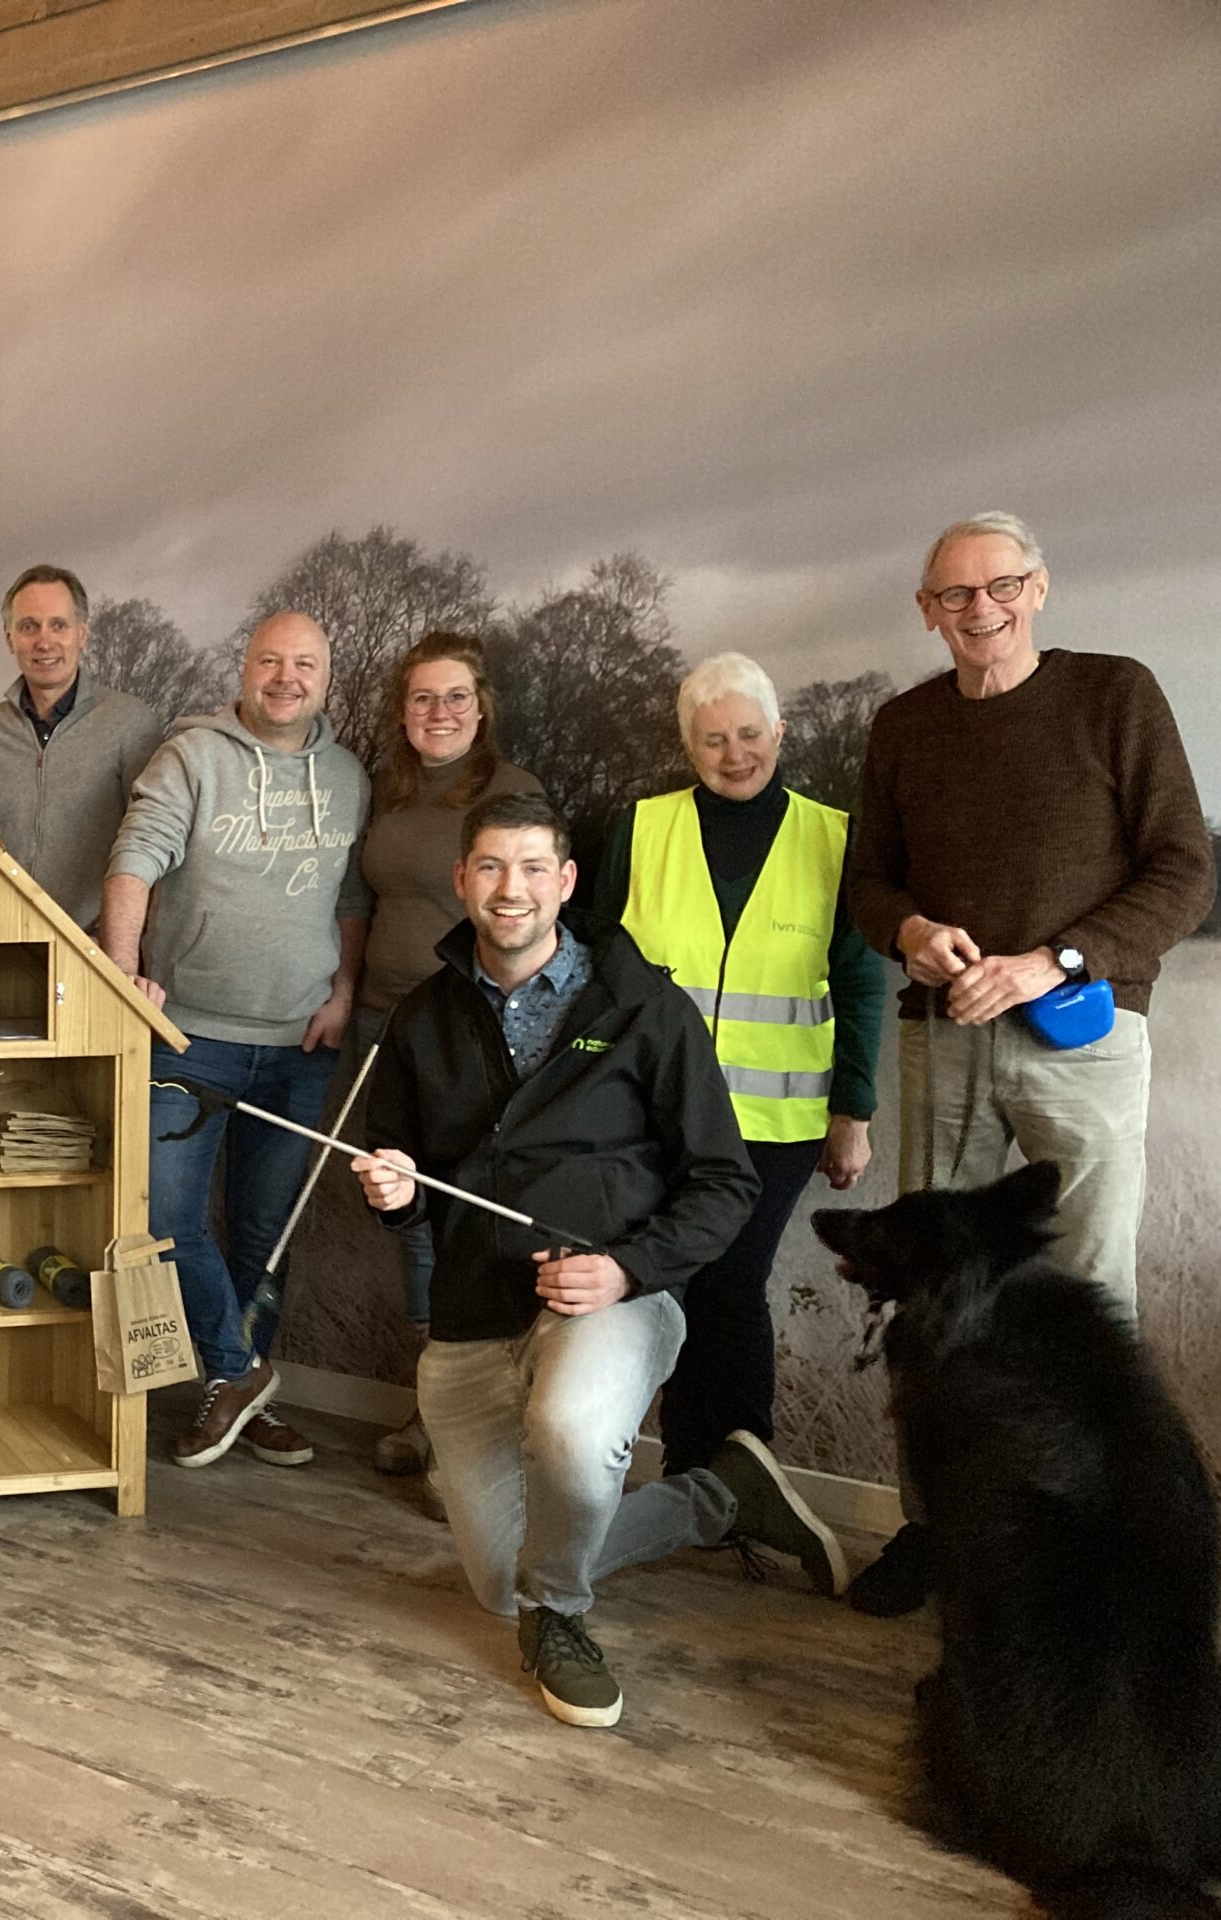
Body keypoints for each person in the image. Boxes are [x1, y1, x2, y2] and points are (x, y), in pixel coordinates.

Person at [349, 792, 842, 1730]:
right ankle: (718, 1497)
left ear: (567, 882)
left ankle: (563, 1622)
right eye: (491, 867)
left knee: (571, 1445)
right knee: (503, 1580)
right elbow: (406, 1172)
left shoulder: (645, 1009)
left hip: (613, 1305)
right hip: (472, 1321)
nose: (511, 889)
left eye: (534, 868)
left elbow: (725, 1185)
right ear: (461, 880)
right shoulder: (423, 1016)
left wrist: (625, 1269)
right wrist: (397, 1186)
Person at [843, 511, 1212, 1617]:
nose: (979, 611)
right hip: (937, 1037)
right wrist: (908, 932)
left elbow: (1184, 872)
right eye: (954, 596)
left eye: (999, 587)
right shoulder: (903, 725)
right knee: (931, 1294)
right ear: (927, 611)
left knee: (1086, 1295)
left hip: (1084, 1038)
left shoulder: (1115, 695)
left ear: (1038, 589)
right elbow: (867, 884)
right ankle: (934, 1526)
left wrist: (1055, 962)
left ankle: (1089, 1551)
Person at [596, 652, 882, 1476]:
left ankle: (734, 1477)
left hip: (777, 1124)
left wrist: (853, 1113)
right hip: (648, 1113)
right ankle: (666, 1473)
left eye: (749, 734)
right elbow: (602, 969)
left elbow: (862, 981)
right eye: (713, 739)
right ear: (689, 746)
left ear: (779, 732)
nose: (734, 753)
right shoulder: (641, 827)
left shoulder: (834, 837)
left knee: (727, 1282)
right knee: (661, 1289)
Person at [102, 613, 366, 1471]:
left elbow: (352, 898)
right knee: (168, 1216)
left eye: (305, 664)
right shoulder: (192, 756)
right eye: (269, 661)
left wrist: (345, 988)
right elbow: (134, 859)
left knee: (265, 1235)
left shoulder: (348, 775)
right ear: (243, 667)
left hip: (299, 1047)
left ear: (326, 677)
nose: (286, 678)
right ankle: (237, 1370)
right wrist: (121, 974)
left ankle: (240, 1395)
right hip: (189, 1038)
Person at [352, 631, 543, 1493]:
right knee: (410, 1215)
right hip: (383, 1026)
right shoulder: (385, 790)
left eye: (456, 696)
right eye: (423, 698)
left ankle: (474, 1432)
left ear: (482, 705)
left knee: (471, 1222)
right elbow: (362, 899)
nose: (439, 713)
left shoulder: (510, 793)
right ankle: (434, 1407)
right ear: (404, 711)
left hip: (470, 1030)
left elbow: (529, 910)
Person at [0, 564, 165, 932]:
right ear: (9, 639)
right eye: (28, 626)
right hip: (2, 942)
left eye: (59, 625)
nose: (44, 641)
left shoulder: (132, 723)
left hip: (96, 950)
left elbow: (152, 847)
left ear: (82, 634)